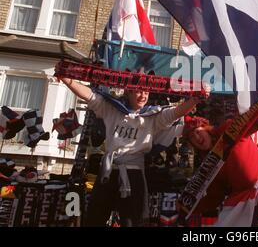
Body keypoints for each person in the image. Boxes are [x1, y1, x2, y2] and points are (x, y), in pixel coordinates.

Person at [60, 77, 204, 226]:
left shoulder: (152, 116)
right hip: (108, 171)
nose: (143, 96)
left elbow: (176, 113)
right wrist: (65, 78)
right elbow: (89, 95)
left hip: (134, 174)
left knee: (134, 222)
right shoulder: (112, 109)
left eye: (146, 93)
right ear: (128, 92)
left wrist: (195, 99)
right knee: (94, 219)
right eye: (139, 92)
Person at [182, 101, 258, 227]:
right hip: (240, 198)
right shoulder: (209, 164)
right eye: (193, 138)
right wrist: (189, 209)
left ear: (205, 128)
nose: (197, 138)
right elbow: (215, 194)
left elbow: (250, 121)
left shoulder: (226, 131)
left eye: (197, 132)